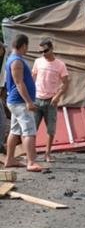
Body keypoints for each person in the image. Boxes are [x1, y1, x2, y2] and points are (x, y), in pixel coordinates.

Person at [3, 34, 42, 172]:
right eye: (27, 46)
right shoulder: (16, 61)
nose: (27, 49)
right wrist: (29, 102)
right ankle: (31, 162)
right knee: (29, 131)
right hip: (20, 102)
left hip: (16, 102)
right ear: (23, 45)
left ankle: (9, 160)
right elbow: (19, 83)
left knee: (15, 131)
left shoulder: (13, 59)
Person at [32, 38, 69, 162]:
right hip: (37, 99)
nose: (43, 54)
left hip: (51, 101)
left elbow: (65, 83)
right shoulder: (38, 62)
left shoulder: (60, 65)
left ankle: (47, 153)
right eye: (40, 51)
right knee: (32, 129)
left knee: (51, 129)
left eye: (45, 51)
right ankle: (31, 154)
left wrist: (57, 96)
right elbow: (32, 79)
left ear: (52, 49)